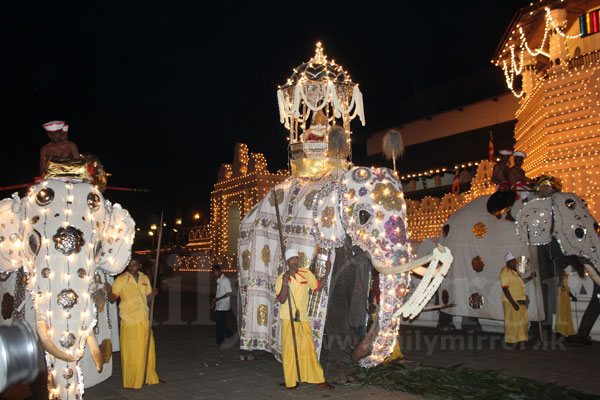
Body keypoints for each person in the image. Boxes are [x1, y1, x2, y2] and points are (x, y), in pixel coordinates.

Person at [276, 248, 333, 390]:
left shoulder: (305, 274)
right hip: (288, 318)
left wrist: (327, 272)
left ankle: (319, 379)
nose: (295, 261)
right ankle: (291, 381)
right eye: (292, 259)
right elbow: (282, 300)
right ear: (287, 262)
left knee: (308, 349)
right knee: (289, 351)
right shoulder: (281, 278)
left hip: (302, 318)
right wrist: (284, 282)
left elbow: (317, 287)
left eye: (296, 258)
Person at [106, 256, 162, 389]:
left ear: (139, 266)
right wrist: (109, 291)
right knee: (132, 353)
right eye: (129, 265)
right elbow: (112, 300)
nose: (131, 267)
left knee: (148, 350)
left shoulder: (144, 278)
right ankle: (132, 381)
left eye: (134, 265)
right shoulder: (121, 280)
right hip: (129, 321)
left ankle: (149, 377)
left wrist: (155, 292)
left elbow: (148, 295)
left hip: (144, 320)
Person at [499, 253, 535, 345]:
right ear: (507, 262)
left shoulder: (516, 272)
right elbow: (505, 288)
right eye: (511, 262)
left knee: (522, 322)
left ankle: (521, 339)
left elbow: (521, 282)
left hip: (521, 299)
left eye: (514, 262)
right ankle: (512, 341)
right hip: (511, 301)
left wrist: (531, 277)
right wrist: (513, 303)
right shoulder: (505, 272)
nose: (513, 264)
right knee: (513, 323)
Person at [211, 265, 235, 347]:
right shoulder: (220, 280)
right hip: (219, 305)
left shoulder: (225, 280)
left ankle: (229, 336)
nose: (213, 274)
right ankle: (221, 339)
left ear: (217, 271)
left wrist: (219, 299)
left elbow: (229, 292)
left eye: (213, 272)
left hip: (223, 305)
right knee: (219, 324)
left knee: (220, 324)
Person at [556, 270, 577, 337]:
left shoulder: (564, 272)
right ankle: (560, 331)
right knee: (561, 314)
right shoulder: (556, 272)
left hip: (565, 296)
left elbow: (566, 287)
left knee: (566, 314)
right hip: (559, 296)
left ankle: (566, 330)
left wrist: (572, 296)